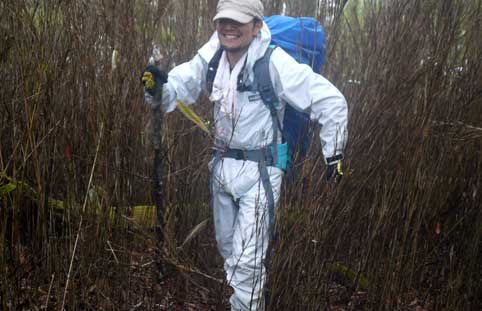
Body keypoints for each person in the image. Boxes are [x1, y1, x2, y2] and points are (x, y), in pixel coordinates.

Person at [142, 0, 348, 310]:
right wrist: (156, 87)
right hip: (222, 170)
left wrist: (334, 156)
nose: (229, 27)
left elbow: (331, 100)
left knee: (246, 263)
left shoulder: (273, 62)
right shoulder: (212, 55)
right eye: (223, 20)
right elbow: (177, 88)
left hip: (262, 173)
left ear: (256, 26)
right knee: (229, 256)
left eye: (238, 22)